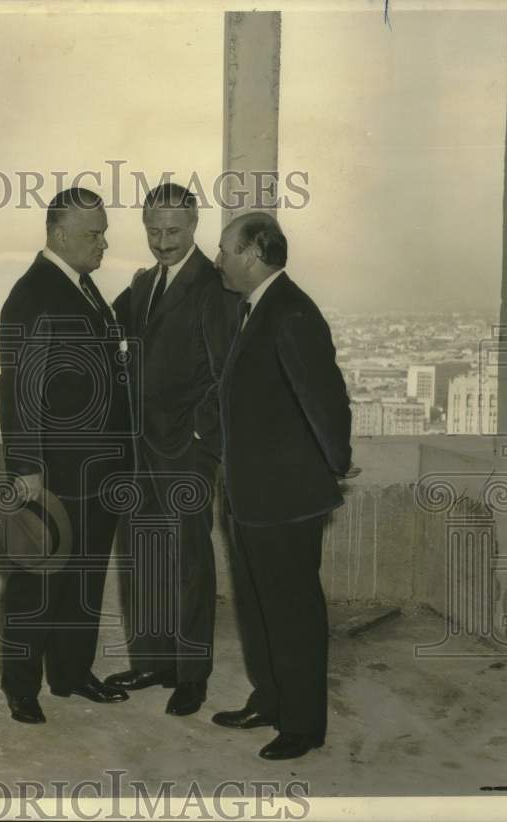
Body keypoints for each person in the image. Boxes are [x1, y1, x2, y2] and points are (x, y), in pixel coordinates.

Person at [211, 211, 354, 760]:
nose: (218, 260)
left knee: (292, 610)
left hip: (286, 500)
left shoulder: (291, 311)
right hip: (252, 497)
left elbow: (327, 399)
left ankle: (303, 725)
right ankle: (270, 699)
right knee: (258, 605)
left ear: (253, 254)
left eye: (225, 250)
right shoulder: (257, 309)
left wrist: (335, 462)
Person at [0, 188, 133, 724]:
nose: (104, 243)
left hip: (95, 471)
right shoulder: (32, 294)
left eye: (103, 232)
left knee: (84, 576)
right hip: (51, 473)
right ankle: (21, 688)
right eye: (93, 234)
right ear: (59, 235)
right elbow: (20, 390)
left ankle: (72, 673)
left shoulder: (80, 286)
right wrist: (26, 469)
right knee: (38, 581)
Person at [105, 183, 238, 716]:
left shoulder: (214, 286)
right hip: (138, 450)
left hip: (184, 452)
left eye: (173, 231)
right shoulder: (143, 285)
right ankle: (153, 662)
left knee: (186, 558)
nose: (162, 241)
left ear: (195, 225)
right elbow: (101, 321)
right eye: (154, 231)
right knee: (143, 554)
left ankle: (191, 674)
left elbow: (227, 373)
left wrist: (201, 437)